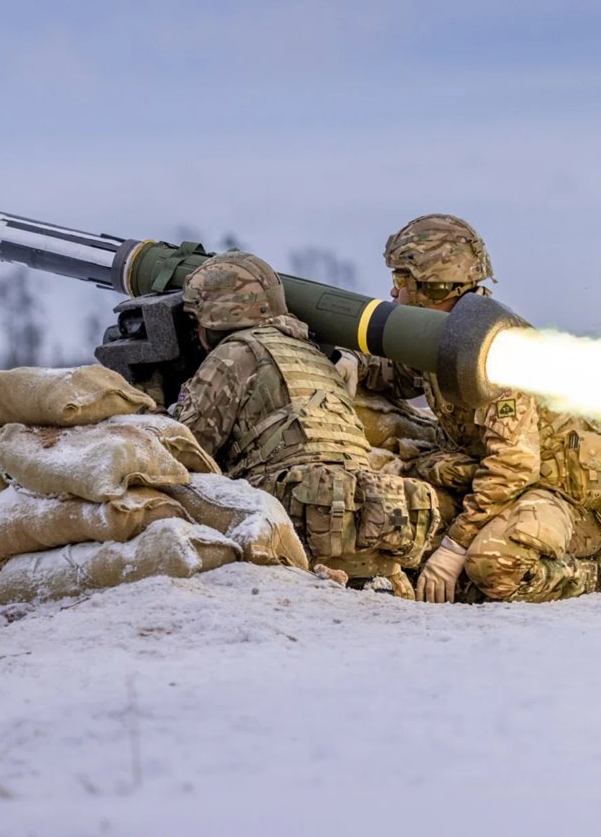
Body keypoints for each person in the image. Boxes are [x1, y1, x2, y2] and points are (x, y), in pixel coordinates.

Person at [345, 214, 601, 603]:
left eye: (402, 281)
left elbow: (514, 465)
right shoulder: (445, 334)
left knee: (493, 564)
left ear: (435, 286)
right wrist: (353, 364)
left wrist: (454, 548)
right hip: (508, 485)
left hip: (564, 497)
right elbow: (400, 376)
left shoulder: (496, 349)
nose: (394, 294)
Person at [172, 251, 439, 595]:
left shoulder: (235, 355)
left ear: (213, 317)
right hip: (371, 526)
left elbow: (184, 449)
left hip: (300, 532)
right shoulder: (315, 354)